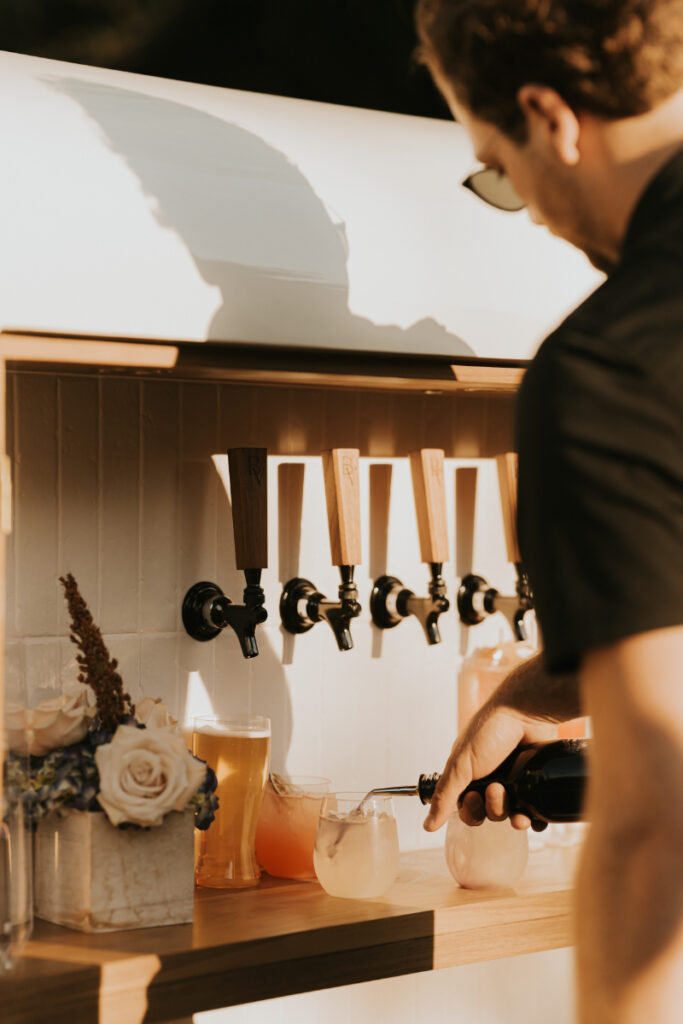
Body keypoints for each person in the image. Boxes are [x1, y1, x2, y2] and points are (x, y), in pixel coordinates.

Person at [414, 2, 683, 1021]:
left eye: (498, 168)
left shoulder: (607, 371)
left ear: (548, 116)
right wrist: (570, 665)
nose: (524, 206)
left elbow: (650, 834)